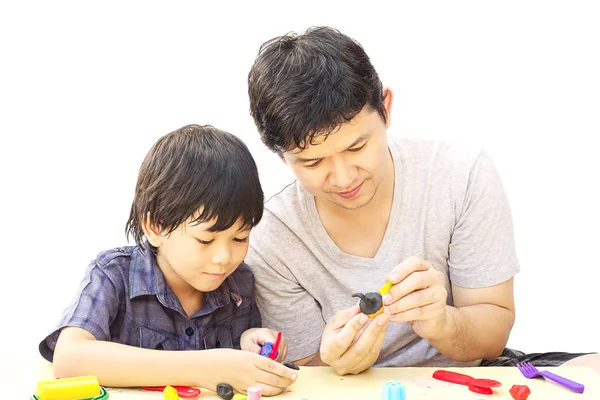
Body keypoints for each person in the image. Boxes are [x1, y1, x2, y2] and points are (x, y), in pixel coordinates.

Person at [246, 26, 598, 374]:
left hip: (474, 373)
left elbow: (492, 335)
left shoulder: (460, 175)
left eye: (357, 147)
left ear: (385, 108)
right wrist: (334, 363)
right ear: (282, 157)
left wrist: (442, 322)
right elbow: (307, 371)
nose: (343, 177)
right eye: (312, 162)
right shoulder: (270, 238)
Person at [39, 124, 297, 395]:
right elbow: (69, 359)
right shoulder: (113, 275)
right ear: (155, 227)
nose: (224, 258)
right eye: (205, 241)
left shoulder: (239, 283)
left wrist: (248, 343)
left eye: (240, 238)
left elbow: (234, 366)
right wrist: (205, 368)